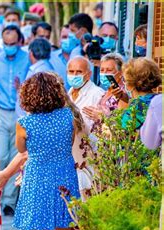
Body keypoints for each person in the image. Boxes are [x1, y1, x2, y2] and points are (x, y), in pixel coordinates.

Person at [13, 72, 82, 230]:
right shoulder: (67, 117)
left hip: (38, 177)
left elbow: (22, 148)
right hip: (64, 175)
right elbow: (71, 142)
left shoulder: (25, 123)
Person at [0, 25, 29, 215]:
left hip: (20, 112)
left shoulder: (27, 59)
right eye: (6, 43)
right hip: (1, 111)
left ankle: (9, 201)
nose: (9, 46)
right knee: (2, 154)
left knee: (16, 155)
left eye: (12, 43)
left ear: (19, 42)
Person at [67, 56, 105, 198]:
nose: (74, 75)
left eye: (78, 72)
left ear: (88, 74)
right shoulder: (66, 94)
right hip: (71, 156)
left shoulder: (97, 94)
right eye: (71, 72)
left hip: (89, 156)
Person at [83, 53, 128, 123]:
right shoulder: (107, 91)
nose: (104, 73)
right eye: (102, 70)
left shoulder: (122, 94)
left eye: (109, 70)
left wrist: (103, 117)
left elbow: (123, 123)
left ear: (120, 73)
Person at [121, 58, 161, 130]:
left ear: (131, 83)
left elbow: (122, 131)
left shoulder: (138, 105)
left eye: (124, 80)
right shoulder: (158, 99)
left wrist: (102, 118)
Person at [49, 25, 72, 90]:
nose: (67, 40)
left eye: (70, 37)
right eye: (64, 37)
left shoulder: (83, 57)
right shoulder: (50, 58)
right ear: (60, 39)